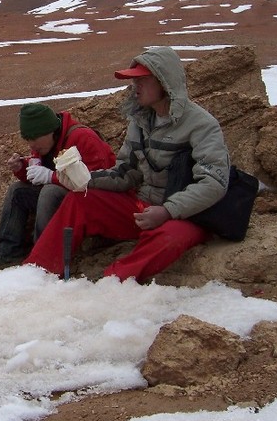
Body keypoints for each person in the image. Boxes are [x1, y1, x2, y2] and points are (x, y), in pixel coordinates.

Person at [24, 46, 231, 282]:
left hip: (185, 214)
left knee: (171, 237)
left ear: (164, 82)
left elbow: (214, 182)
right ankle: (36, 274)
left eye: (142, 80)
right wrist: (86, 180)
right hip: (144, 208)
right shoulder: (140, 120)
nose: (135, 87)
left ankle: (113, 282)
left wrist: (167, 211)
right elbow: (126, 172)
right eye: (134, 81)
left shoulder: (201, 124)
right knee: (79, 199)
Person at [0, 103, 116, 274]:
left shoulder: (83, 138)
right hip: (68, 195)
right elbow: (40, 175)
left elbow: (96, 181)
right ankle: (8, 255)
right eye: (28, 139)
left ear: (50, 130)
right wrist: (22, 168)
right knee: (17, 191)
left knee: (50, 192)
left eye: (34, 138)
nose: (31, 145)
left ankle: (43, 259)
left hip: (93, 203)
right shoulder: (46, 144)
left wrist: (51, 177)